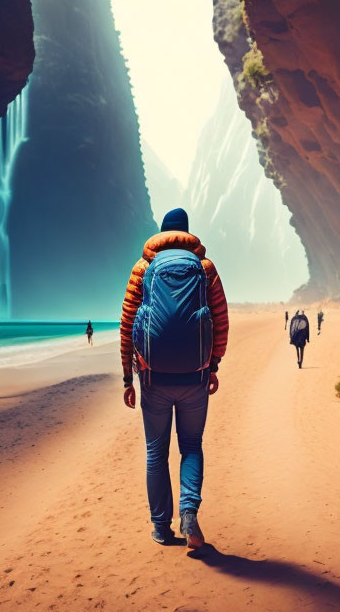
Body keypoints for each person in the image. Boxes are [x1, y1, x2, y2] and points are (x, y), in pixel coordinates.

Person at [121, 207, 229, 549]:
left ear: (160, 234)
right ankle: (188, 511)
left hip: (153, 377)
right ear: (186, 234)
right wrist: (213, 366)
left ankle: (160, 527)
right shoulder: (204, 268)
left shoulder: (143, 268)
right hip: (195, 375)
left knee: (156, 452)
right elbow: (221, 320)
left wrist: (128, 376)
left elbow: (127, 326)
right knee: (192, 446)